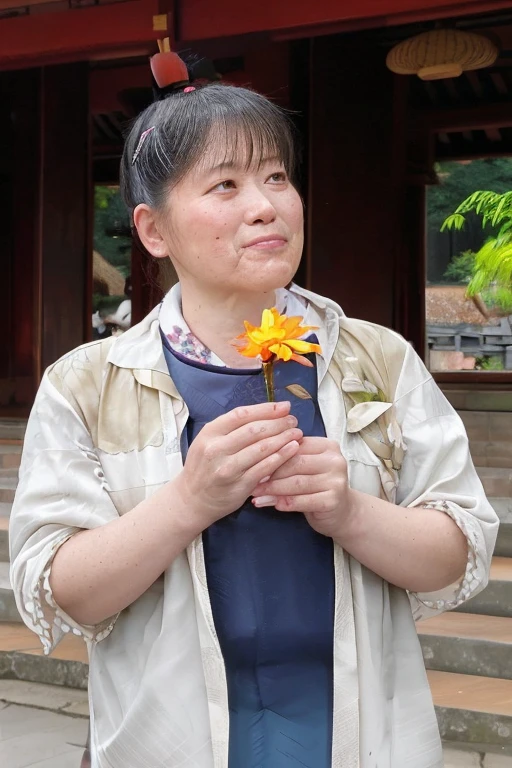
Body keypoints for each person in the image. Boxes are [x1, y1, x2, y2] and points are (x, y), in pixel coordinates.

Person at [9, 65, 498, 768]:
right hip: (168, 745)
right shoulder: (86, 384)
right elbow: (63, 591)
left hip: (356, 742)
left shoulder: (376, 361)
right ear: (152, 230)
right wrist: (188, 501)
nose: (267, 206)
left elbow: (455, 550)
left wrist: (349, 511)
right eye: (225, 185)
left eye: (276, 177)